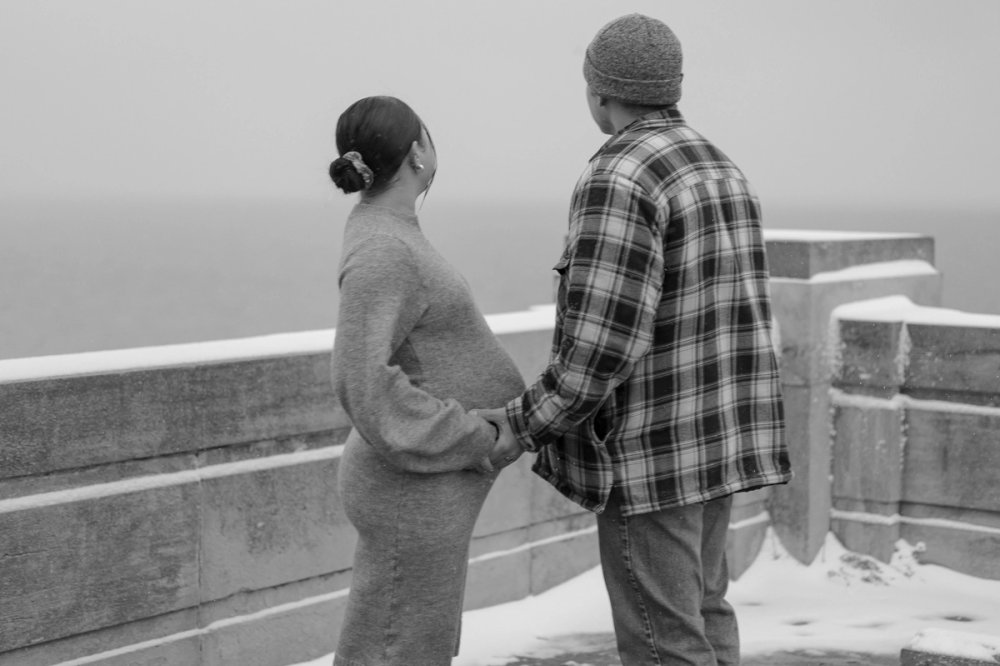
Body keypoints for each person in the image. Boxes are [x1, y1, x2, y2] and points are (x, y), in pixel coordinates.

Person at [477, 14, 792, 666]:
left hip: (651, 457)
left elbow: (601, 347)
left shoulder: (619, 176)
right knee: (706, 615)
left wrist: (522, 424)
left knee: (665, 644)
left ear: (599, 91)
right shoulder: (721, 166)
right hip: (717, 444)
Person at [328, 95, 525, 665]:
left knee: (407, 643)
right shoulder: (384, 249)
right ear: (418, 153)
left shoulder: (389, 230)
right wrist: (472, 436)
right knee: (397, 648)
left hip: (425, 481)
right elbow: (359, 380)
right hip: (411, 486)